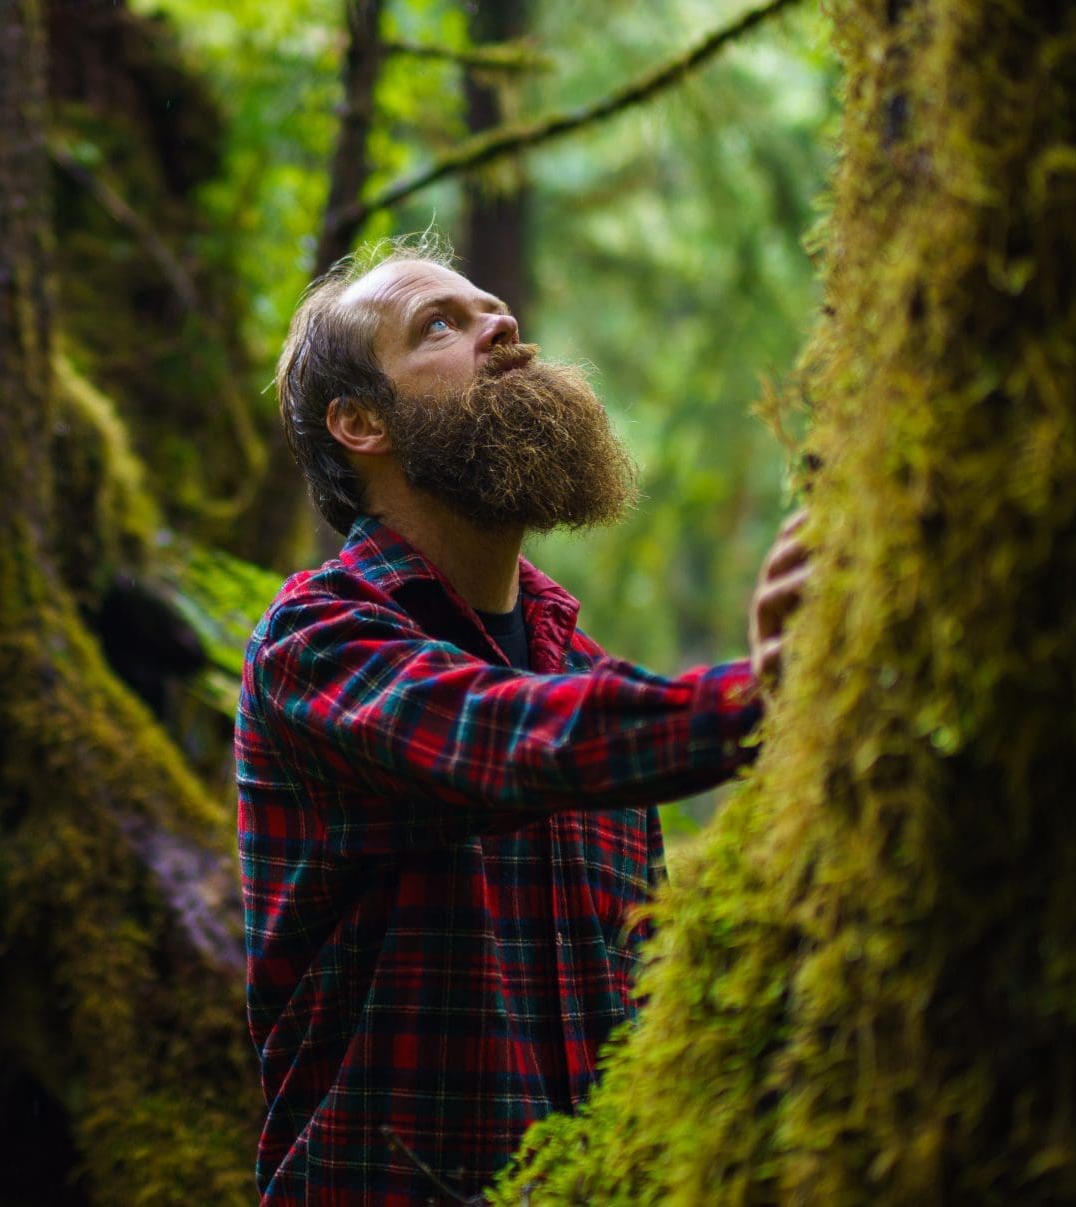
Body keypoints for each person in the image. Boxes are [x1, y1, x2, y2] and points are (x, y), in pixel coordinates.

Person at [237, 237, 809, 1204]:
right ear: (359, 422)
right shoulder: (314, 645)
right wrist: (767, 694)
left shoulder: (579, 672)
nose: (500, 326)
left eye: (493, 307)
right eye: (440, 326)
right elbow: (507, 739)